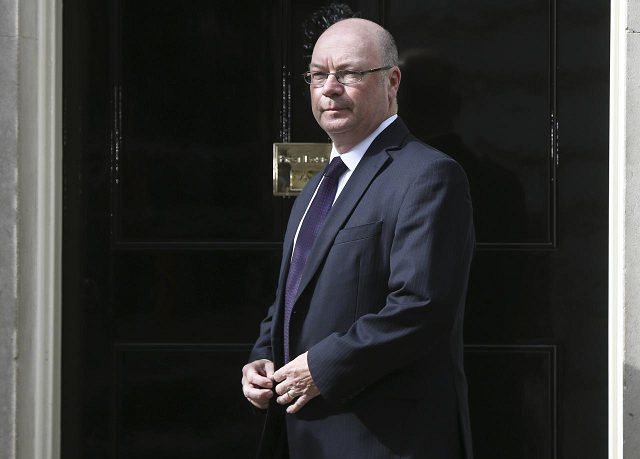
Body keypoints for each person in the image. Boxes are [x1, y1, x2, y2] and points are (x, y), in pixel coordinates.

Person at [241, 18, 475, 459]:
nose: (329, 88)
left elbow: (421, 306)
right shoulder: (316, 186)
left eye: (348, 73)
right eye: (318, 74)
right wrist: (262, 358)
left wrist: (319, 368)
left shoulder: (428, 175)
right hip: (301, 435)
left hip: (380, 438)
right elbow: (294, 293)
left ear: (392, 81)